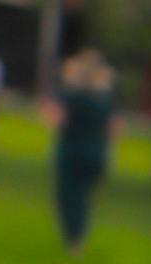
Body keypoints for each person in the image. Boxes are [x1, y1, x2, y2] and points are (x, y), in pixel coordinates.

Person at [48, 50, 118, 253]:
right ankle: (78, 238)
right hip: (95, 153)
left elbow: (57, 119)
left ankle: (73, 239)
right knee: (83, 196)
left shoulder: (71, 96)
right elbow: (114, 129)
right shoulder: (104, 99)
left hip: (71, 152)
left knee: (68, 196)